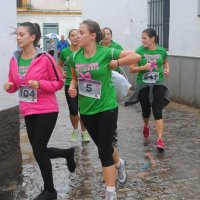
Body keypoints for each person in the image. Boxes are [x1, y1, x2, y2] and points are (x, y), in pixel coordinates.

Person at [68, 19, 141, 200]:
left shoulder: (106, 51)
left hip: (107, 107)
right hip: (86, 109)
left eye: (81, 32)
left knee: (103, 151)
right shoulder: (75, 57)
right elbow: (75, 78)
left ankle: (110, 192)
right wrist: (72, 87)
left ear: (93, 36)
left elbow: (136, 56)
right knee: (105, 146)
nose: (78, 35)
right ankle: (120, 163)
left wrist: (116, 63)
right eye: (77, 32)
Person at [3, 22, 76, 200]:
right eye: (17, 35)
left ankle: (50, 191)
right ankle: (66, 153)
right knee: (39, 150)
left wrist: (40, 84)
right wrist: (10, 87)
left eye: (21, 34)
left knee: (38, 149)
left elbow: (58, 83)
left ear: (33, 37)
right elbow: (15, 84)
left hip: (47, 109)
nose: (18, 38)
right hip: (28, 110)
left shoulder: (46, 58)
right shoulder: (15, 59)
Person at [125, 28, 170, 152]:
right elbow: (131, 69)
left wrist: (167, 69)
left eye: (144, 38)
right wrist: (143, 67)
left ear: (153, 38)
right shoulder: (139, 51)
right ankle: (146, 124)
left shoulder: (161, 50)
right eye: (142, 38)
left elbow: (165, 62)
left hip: (158, 83)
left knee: (157, 110)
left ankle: (160, 140)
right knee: (146, 111)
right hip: (143, 84)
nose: (142, 40)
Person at [58, 29, 90, 143]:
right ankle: (75, 129)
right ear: (69, 38)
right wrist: (62, 71)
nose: (76, 37)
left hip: (84, 83)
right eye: (73, 35)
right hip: (69, 84)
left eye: (78, 35)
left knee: (84, 110)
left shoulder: (84, 50)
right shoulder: (65, 52)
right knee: (73, 110)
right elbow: (59, 64)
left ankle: (84, 132)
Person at [100, 27, 124, 144]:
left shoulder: (116, 47)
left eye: (108, 34)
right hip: (100, 80)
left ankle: (113, 130)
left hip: (114, 78)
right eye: (104, 34)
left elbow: (123, 57)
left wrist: (116, 63)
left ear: (111, 35)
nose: (106, 36)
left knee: (113, 105)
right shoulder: (97, 46)